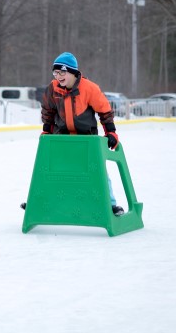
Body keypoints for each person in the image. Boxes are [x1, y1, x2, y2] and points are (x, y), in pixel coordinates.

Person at [38, 51, 125, 216]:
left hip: (87, 140)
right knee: (53, 171)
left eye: (62, 72)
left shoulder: (89, 88)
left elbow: (105, 111)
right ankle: (42, 201)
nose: (58, 76)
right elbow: (47, 111)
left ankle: (111, 205)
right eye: (55, 72)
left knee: (98, 172)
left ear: (72, 72)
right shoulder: (53, 88)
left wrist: (111, 132)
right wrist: (46, 131)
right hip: (61, 138)